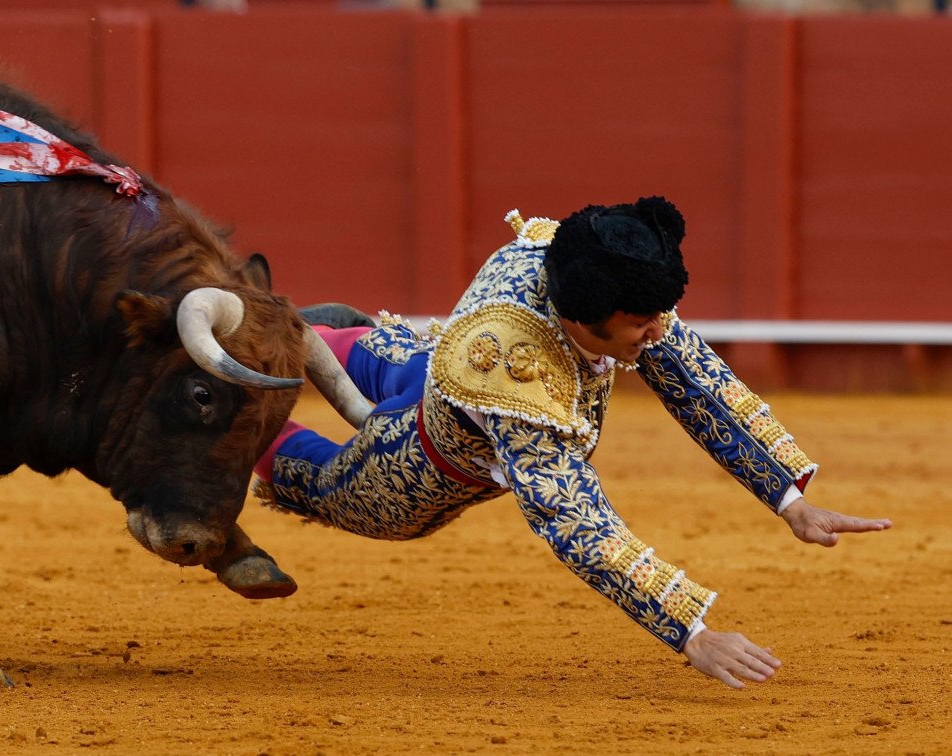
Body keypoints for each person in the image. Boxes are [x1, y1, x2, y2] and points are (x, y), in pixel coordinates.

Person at [250, 196, 892, 689]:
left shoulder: (589, 268)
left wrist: (789, 501)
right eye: (641, 325)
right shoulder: (519, 376)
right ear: (584, 319)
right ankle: (239, 421)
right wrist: (691, 631)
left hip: (446, 365)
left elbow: (696, 385)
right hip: (426, 461)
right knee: (330, 484)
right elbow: (574, 518)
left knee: (410, 362)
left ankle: (309, 336)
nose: (658, 332)